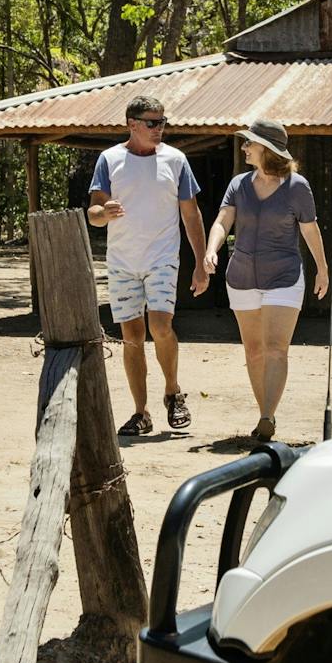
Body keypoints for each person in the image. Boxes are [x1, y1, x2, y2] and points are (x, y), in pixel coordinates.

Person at [89, 95, 208, 437]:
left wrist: (200, 263)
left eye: (162, 123)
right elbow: (94, 214)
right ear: (132, 124)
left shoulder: (176, 160)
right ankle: (141, 413)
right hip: (122, 262)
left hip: (161, 259)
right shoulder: (109, 159)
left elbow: (191, 214)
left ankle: (172, 391)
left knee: (160, 327)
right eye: (153, 123)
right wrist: (103, 212)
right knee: (131, 337)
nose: (160, 129)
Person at [203, 119, 328, 443]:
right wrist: (211, 249)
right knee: (254, 351)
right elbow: (223, 220)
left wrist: (322, 269)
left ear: (267, 149)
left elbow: (309, 229)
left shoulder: (296, 186)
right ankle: (265, 416)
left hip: (284, 276)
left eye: (250, 143)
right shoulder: (239, 184)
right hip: (242, 277)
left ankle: (267, 415)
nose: (244, 147)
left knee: (276, 349)